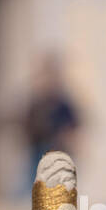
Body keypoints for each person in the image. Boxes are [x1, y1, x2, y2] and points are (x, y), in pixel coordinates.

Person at [20, 54, 81, 195]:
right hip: (37, 149)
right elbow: (27, 124)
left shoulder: (63, 102)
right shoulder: (35, 102)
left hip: (57, 149)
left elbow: (73, 125)